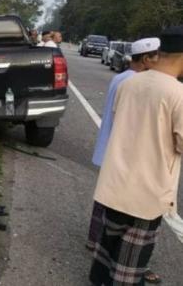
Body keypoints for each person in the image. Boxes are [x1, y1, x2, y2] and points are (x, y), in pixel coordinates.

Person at [89, 26, 183, 286]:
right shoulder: (177, 93)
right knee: (130, 261)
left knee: (109, 245)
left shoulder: (129, 82)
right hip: (146, 191)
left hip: (115, 181)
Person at [86, 37, 161, 282]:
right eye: (157, 56)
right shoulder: (136, 82)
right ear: (147, 58)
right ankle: (118, 260)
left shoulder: (121, 77)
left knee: (105, 203)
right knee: (120, 212)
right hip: (121, 152)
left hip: (109, 148)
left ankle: (94, 243)